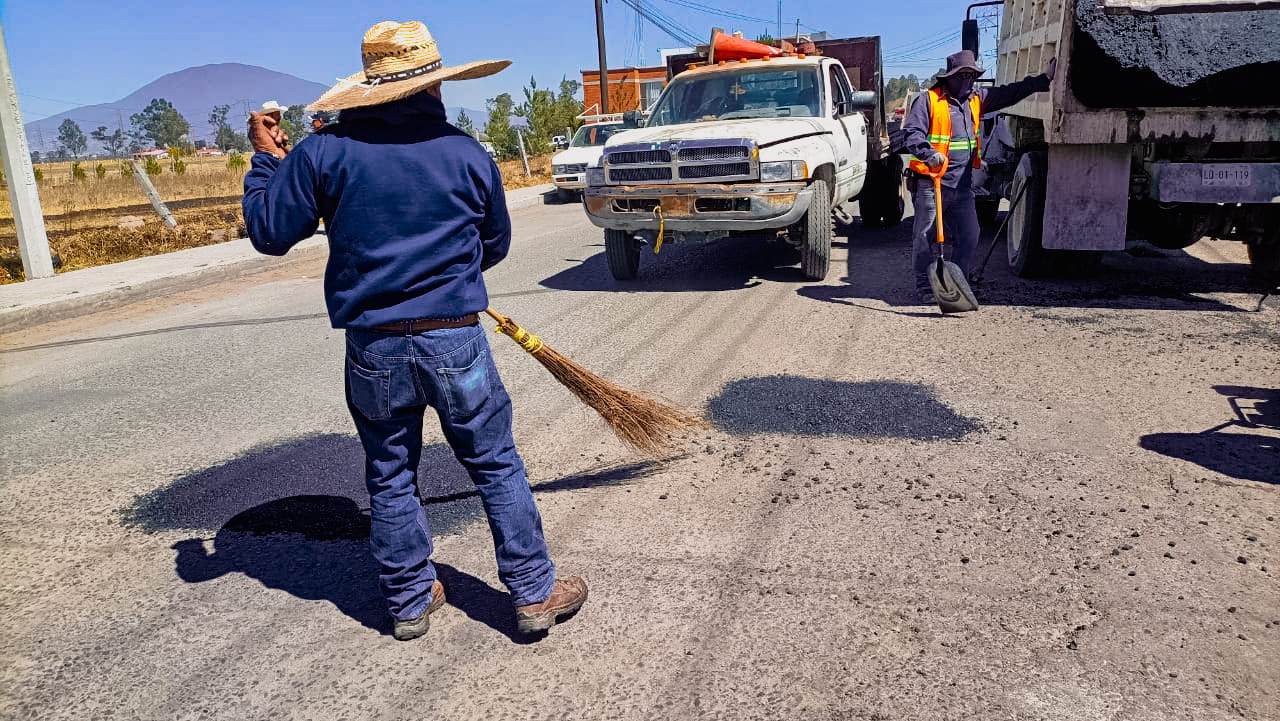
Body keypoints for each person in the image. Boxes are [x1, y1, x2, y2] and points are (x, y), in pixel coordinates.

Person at [241, 19, 588, 641]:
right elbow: (496, 244)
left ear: (370, 90)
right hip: (456, 340)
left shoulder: (322, 152)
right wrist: (449, 278)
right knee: (496, 465)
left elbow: (270, 232)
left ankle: (408, 600)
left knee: (391, 472)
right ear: (431, 86)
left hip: (374, 347)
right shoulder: (465, 152)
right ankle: (534, 593)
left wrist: (268, 162)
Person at [903, 49, 1055, 305]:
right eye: (962, 75)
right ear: (948, 77)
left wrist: (1044, 80)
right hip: (932, 183)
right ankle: (925, 285)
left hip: (962, 186)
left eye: (972, 75)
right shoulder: (928, 101)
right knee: (925, 237)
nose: (967, 80)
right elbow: (911, 133)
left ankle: (955, 281)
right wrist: (928, 153)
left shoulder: (977, 99)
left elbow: (1010, 93)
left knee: (970, 234)